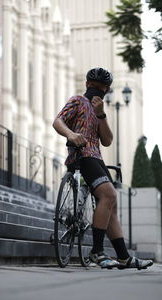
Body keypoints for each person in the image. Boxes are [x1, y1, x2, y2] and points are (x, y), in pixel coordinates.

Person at [53, 67, 153, 269]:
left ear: (107, 90)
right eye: (94, 86)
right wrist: (72, 135)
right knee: (110, 195)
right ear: (87, 84)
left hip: (97, 158)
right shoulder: (78, 101)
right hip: (81, 155)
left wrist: (101, 115)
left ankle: (124, 256)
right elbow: (58, 121)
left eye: (102, 89)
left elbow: (107, 141)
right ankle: (97, 252)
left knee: (111, 203)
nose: (97, 91)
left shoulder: (99, 111)